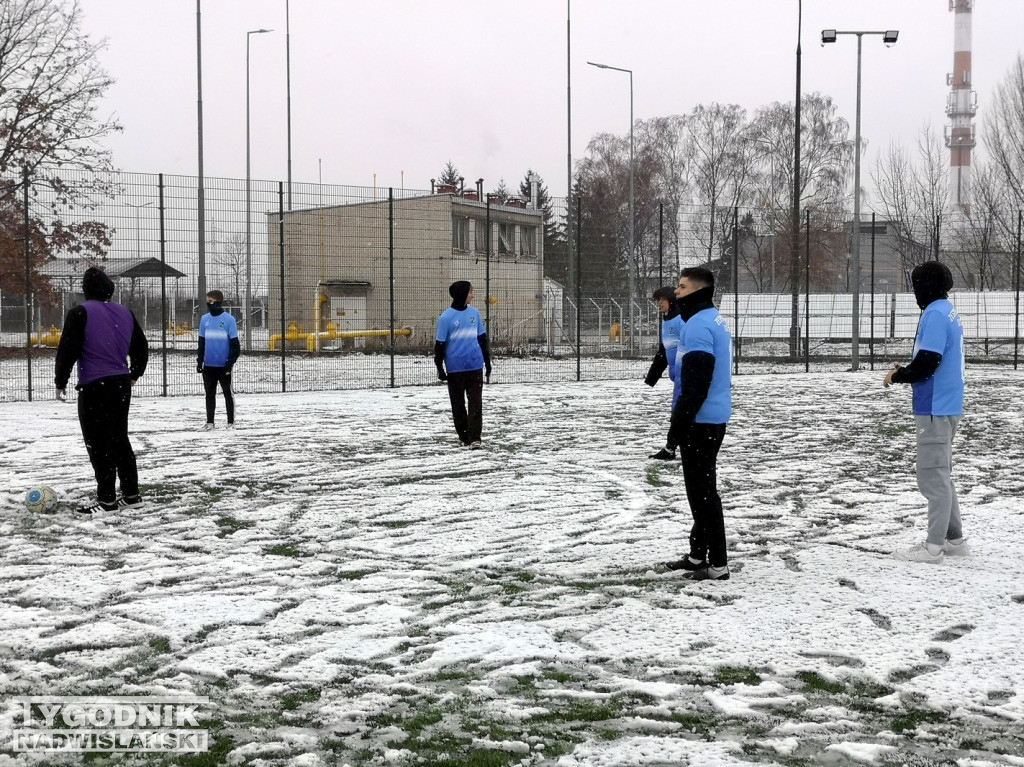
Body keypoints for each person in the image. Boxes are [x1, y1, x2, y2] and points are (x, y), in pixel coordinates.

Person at [884, 261, 967, 563]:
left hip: (934, 406)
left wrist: (899, 375)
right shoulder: (947, 310)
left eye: (917, 284)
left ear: (926, 286)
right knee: (942, 475)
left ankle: (933, 547)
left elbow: (928, 363)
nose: (915, 291)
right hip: (948, 404)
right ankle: (954, 539)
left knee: (932, 478)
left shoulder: (933, 313)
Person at [55, 267, 149, 515]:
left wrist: (60, 380)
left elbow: (68, 349)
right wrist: (134, 374)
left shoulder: (80, 313)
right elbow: (141, 347)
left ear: (86, 291)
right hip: (120, 384)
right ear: (110, 288)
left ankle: (107, 500)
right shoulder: (125, 312)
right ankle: (131, 494)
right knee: (119, 438)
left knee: (98, 442)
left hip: (95, 385)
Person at [661, 267, 733, 581]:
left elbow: (695, 387)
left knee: (703, 494)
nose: (675, 292)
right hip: (711, 417)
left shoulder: (698, 326)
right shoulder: (710, 319)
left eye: (681, 286)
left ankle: (717, 564)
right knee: (701, 492)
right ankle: (697, 555)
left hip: (700, 422)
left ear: (697, 291)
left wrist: (674, 433)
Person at [435, 280, 491, 448]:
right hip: (455, 369)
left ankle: (475, 438)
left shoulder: (475, 314)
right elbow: (440, 345)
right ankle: (464, 436)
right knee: (458, 405)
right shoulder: (445, 318)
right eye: (470, 292)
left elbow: (482, 339)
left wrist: (487, 362)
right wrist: (439, 367)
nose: (473, 295)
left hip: (474, 366)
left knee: (475, 403)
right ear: (463, 295)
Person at [645, 286, 683, 460]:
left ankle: (671, 448)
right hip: (678, 377)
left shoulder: (682, 320)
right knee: (679, 412)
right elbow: (663, 350)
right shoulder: (667, 321)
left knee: (679, 412)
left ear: (671, 301)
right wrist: (652, 376)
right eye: (658, 300)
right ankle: (675, 447)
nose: (659, 303)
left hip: (686, 375)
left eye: (662, 300)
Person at [197, 290, 240, 429]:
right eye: (207, 301)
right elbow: (201, 342)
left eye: (210, 301)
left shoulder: (229, 320)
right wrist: (200, 360)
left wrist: (230, 363)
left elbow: (235, 346)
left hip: (224, 365)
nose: (208, 304)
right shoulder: (204, 319)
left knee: (227, 393)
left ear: (218, 302)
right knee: (209, 394)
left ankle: (230, 422)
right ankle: (210, 422)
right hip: (209, 365)